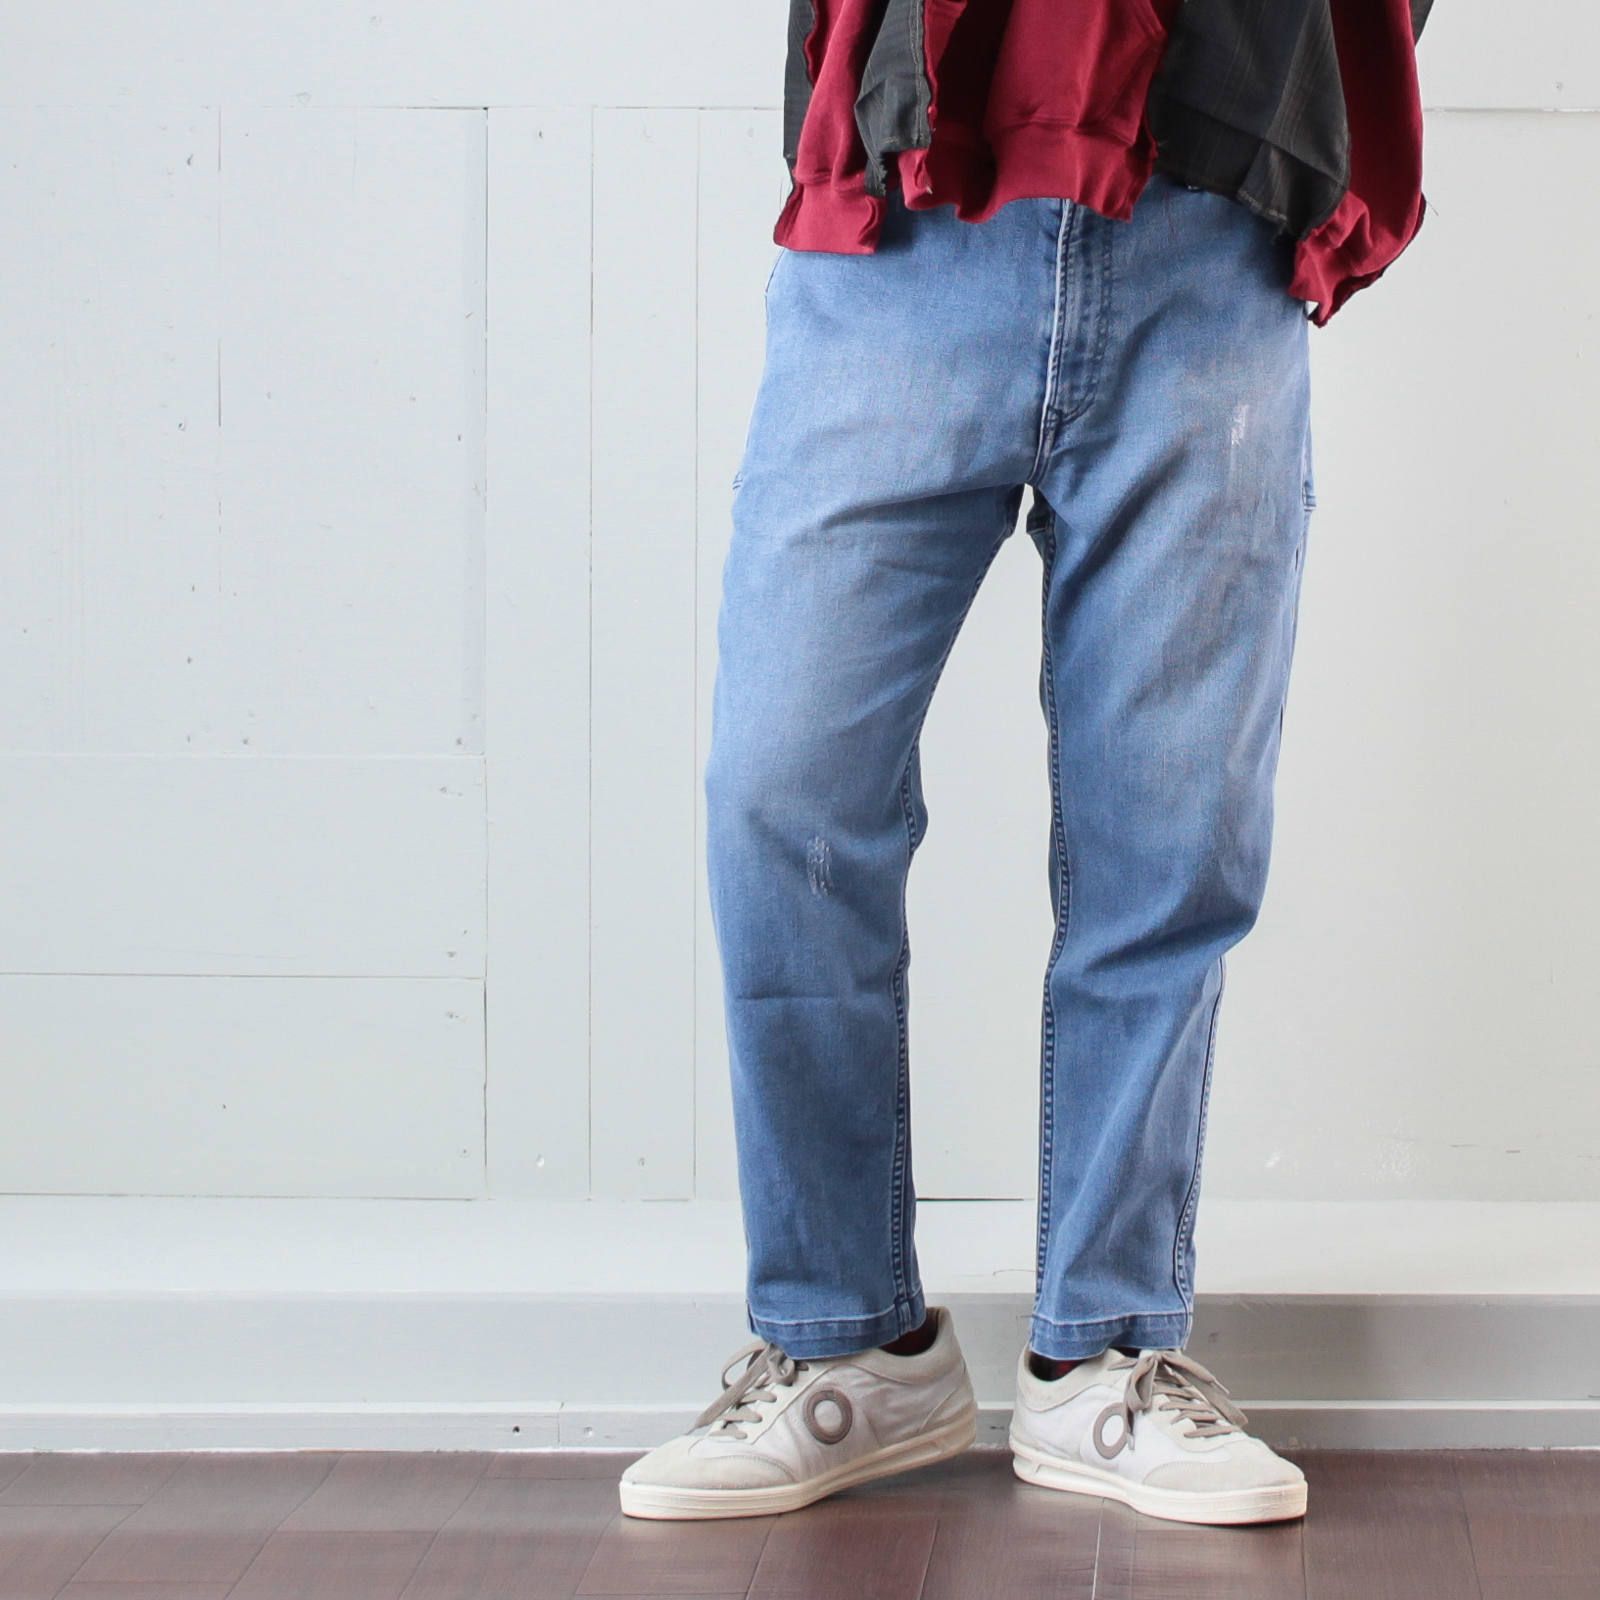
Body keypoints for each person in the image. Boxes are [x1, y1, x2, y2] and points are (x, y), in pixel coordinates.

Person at [620, 0, 1431, 1527]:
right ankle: (844, 1345)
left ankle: (1106, 1350)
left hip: (1210, 226)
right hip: (904, 225)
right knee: (783, 792)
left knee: (1172, 833)